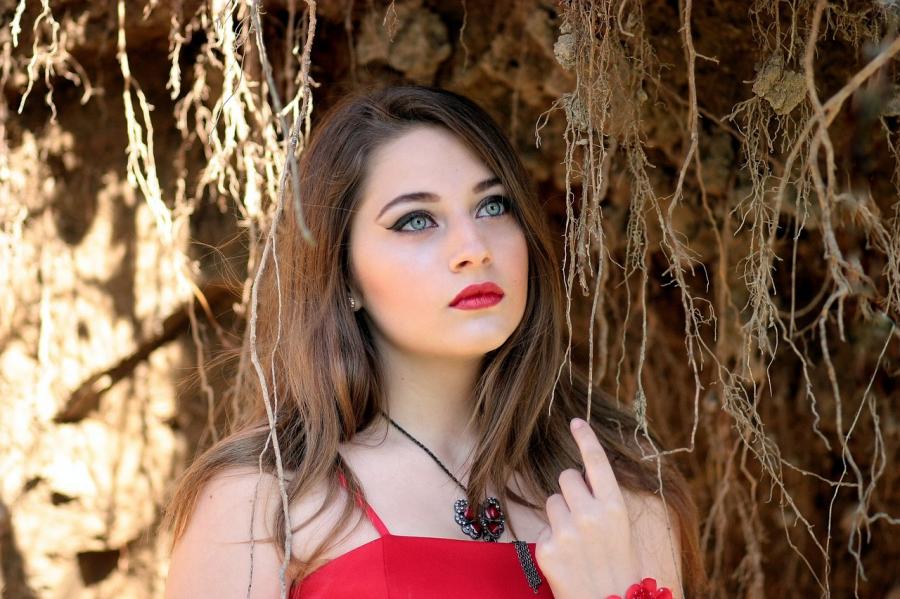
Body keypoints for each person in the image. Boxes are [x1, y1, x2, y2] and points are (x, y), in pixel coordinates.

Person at [160, 84, 705, 598]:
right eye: (416, 220)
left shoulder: (618, 495)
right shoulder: (260, 503)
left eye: (493, 206)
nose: (474, 248)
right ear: (344, 274)